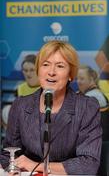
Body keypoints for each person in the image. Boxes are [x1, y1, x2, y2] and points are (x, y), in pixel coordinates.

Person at [0, 40, 102, 175]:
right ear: (38, 70)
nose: (51, 72)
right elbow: (9, 154)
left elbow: (89, 164)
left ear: (71, 74)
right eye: (45, 65)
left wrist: (38, 166)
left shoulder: (87, 107)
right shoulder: (20, 105)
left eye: (60, 66)